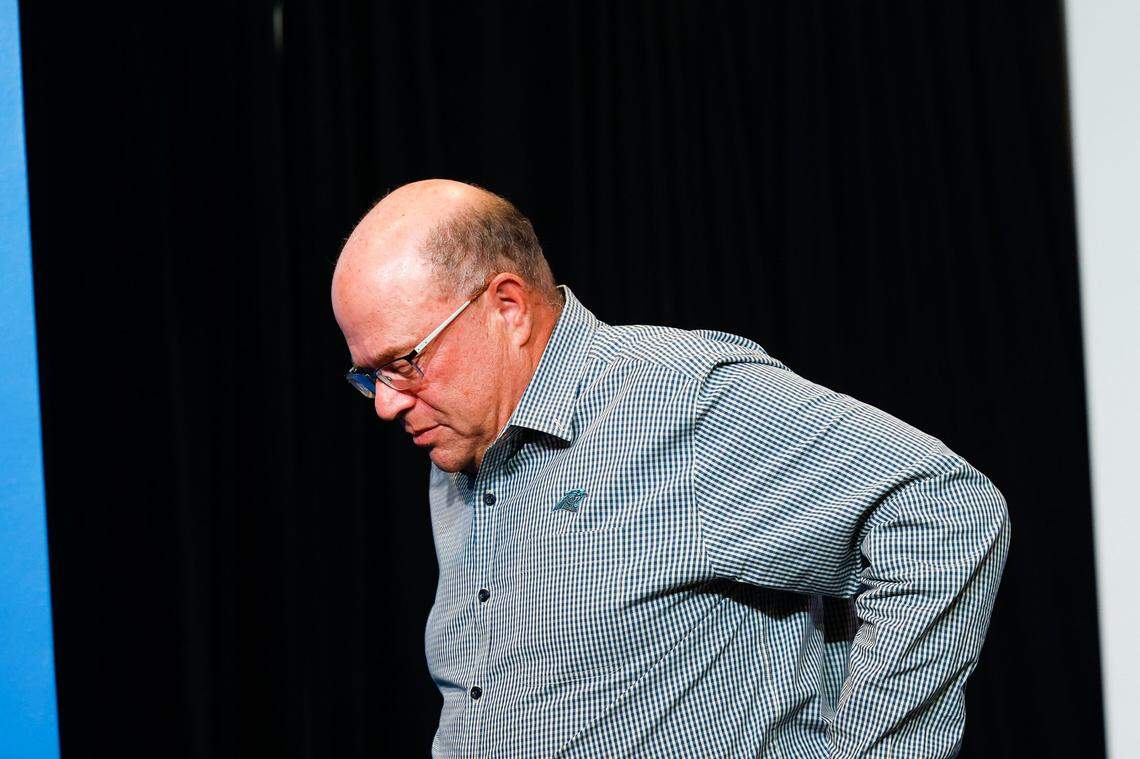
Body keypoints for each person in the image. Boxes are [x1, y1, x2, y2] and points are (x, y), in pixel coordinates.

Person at [330, 179, 1010, 758]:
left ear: (507, 307)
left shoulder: (673, 397)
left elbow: (945, 508)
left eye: (404, 362)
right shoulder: (458, 455)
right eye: (369, 377)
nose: (387, 403)